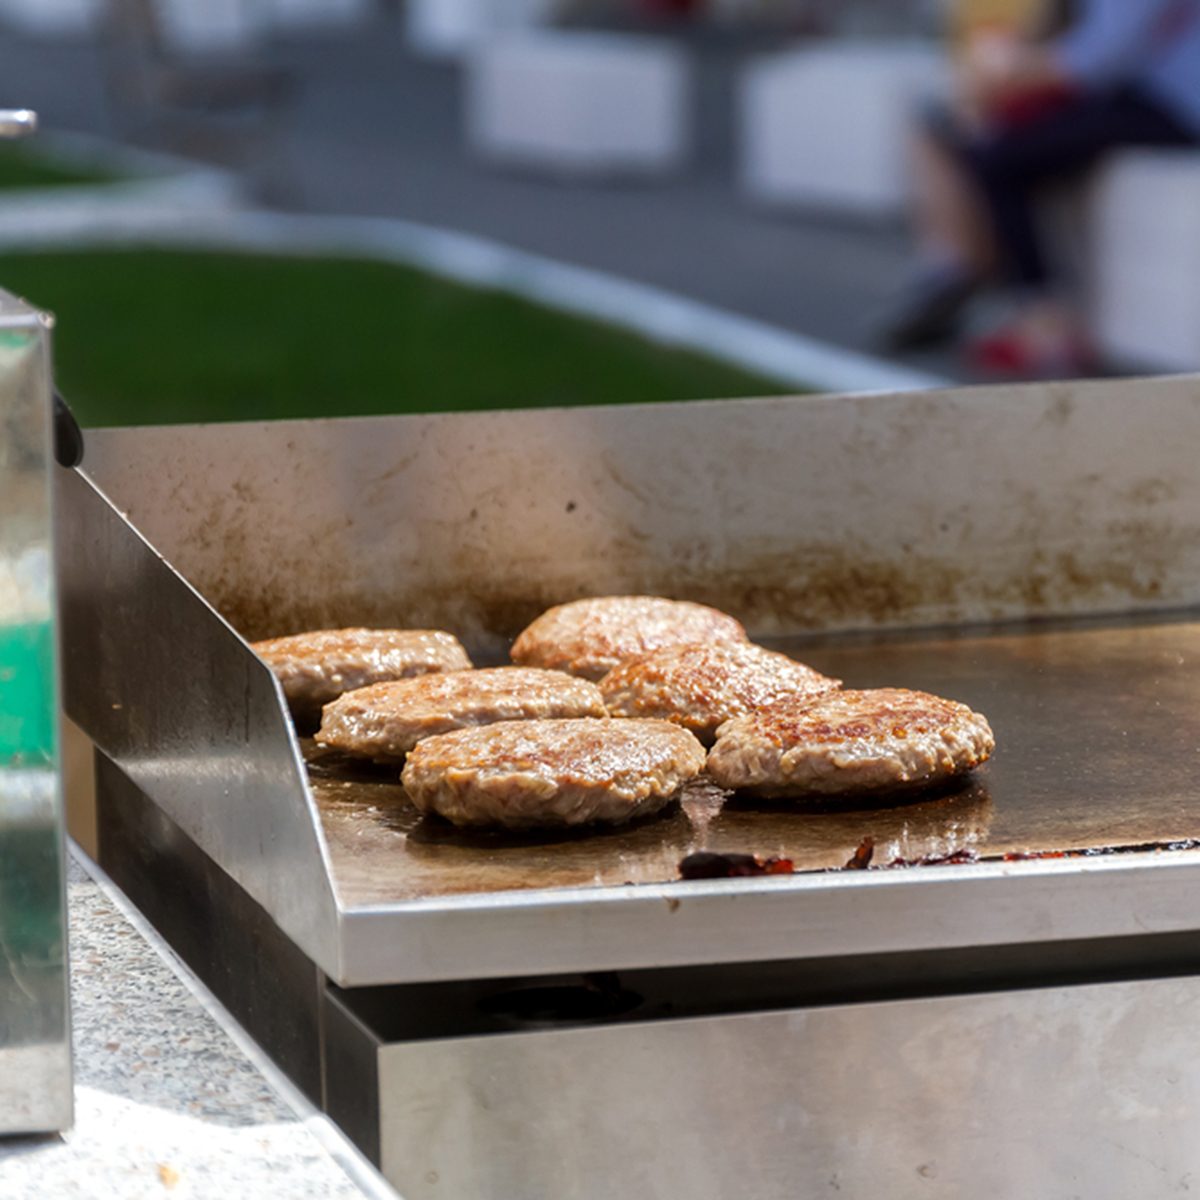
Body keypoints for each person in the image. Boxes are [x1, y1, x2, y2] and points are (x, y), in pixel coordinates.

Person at [882, 0, 1200, 373]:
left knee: (1001, 156)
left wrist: (1006, 75)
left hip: (1171, 103)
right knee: (983, 139)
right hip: (1143, 95)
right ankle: (968, 274)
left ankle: (1037, 317)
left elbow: (1097, 58)